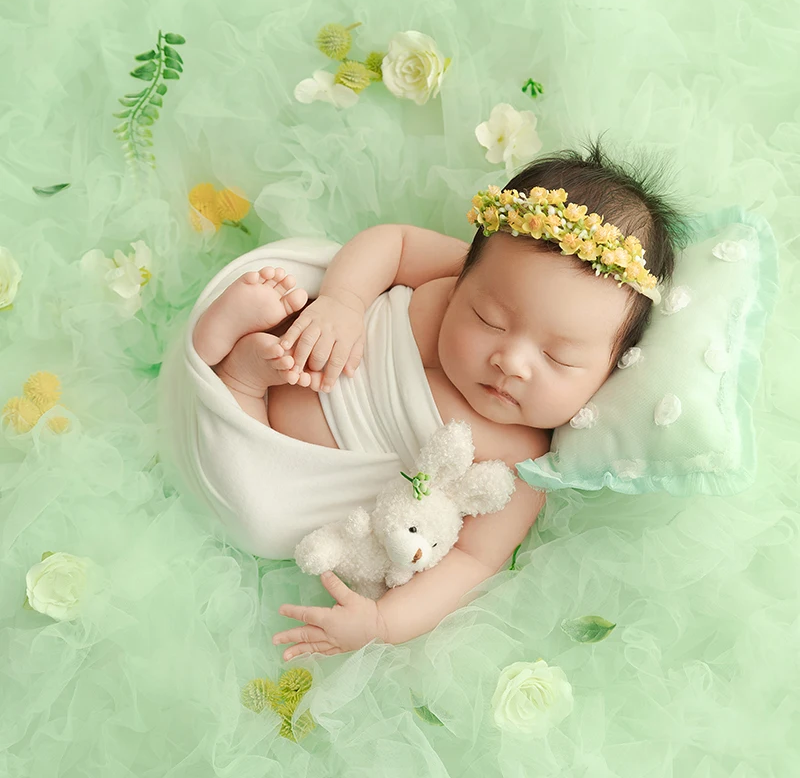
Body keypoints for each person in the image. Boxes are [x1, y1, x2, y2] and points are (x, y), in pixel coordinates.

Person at [190, 139, 688, 660]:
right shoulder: (452, 277)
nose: (511, 361)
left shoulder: (523, 465)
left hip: (291, 475)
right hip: (302, 351)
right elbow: (394, 244)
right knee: (298, 294)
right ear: (470, 275)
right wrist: (343, 301)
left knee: (263, 524)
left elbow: (470, 563)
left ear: (608, 375)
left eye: (559, 358)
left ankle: (236, 374)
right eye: (488, 319)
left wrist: (383, 621)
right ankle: (234, 346)